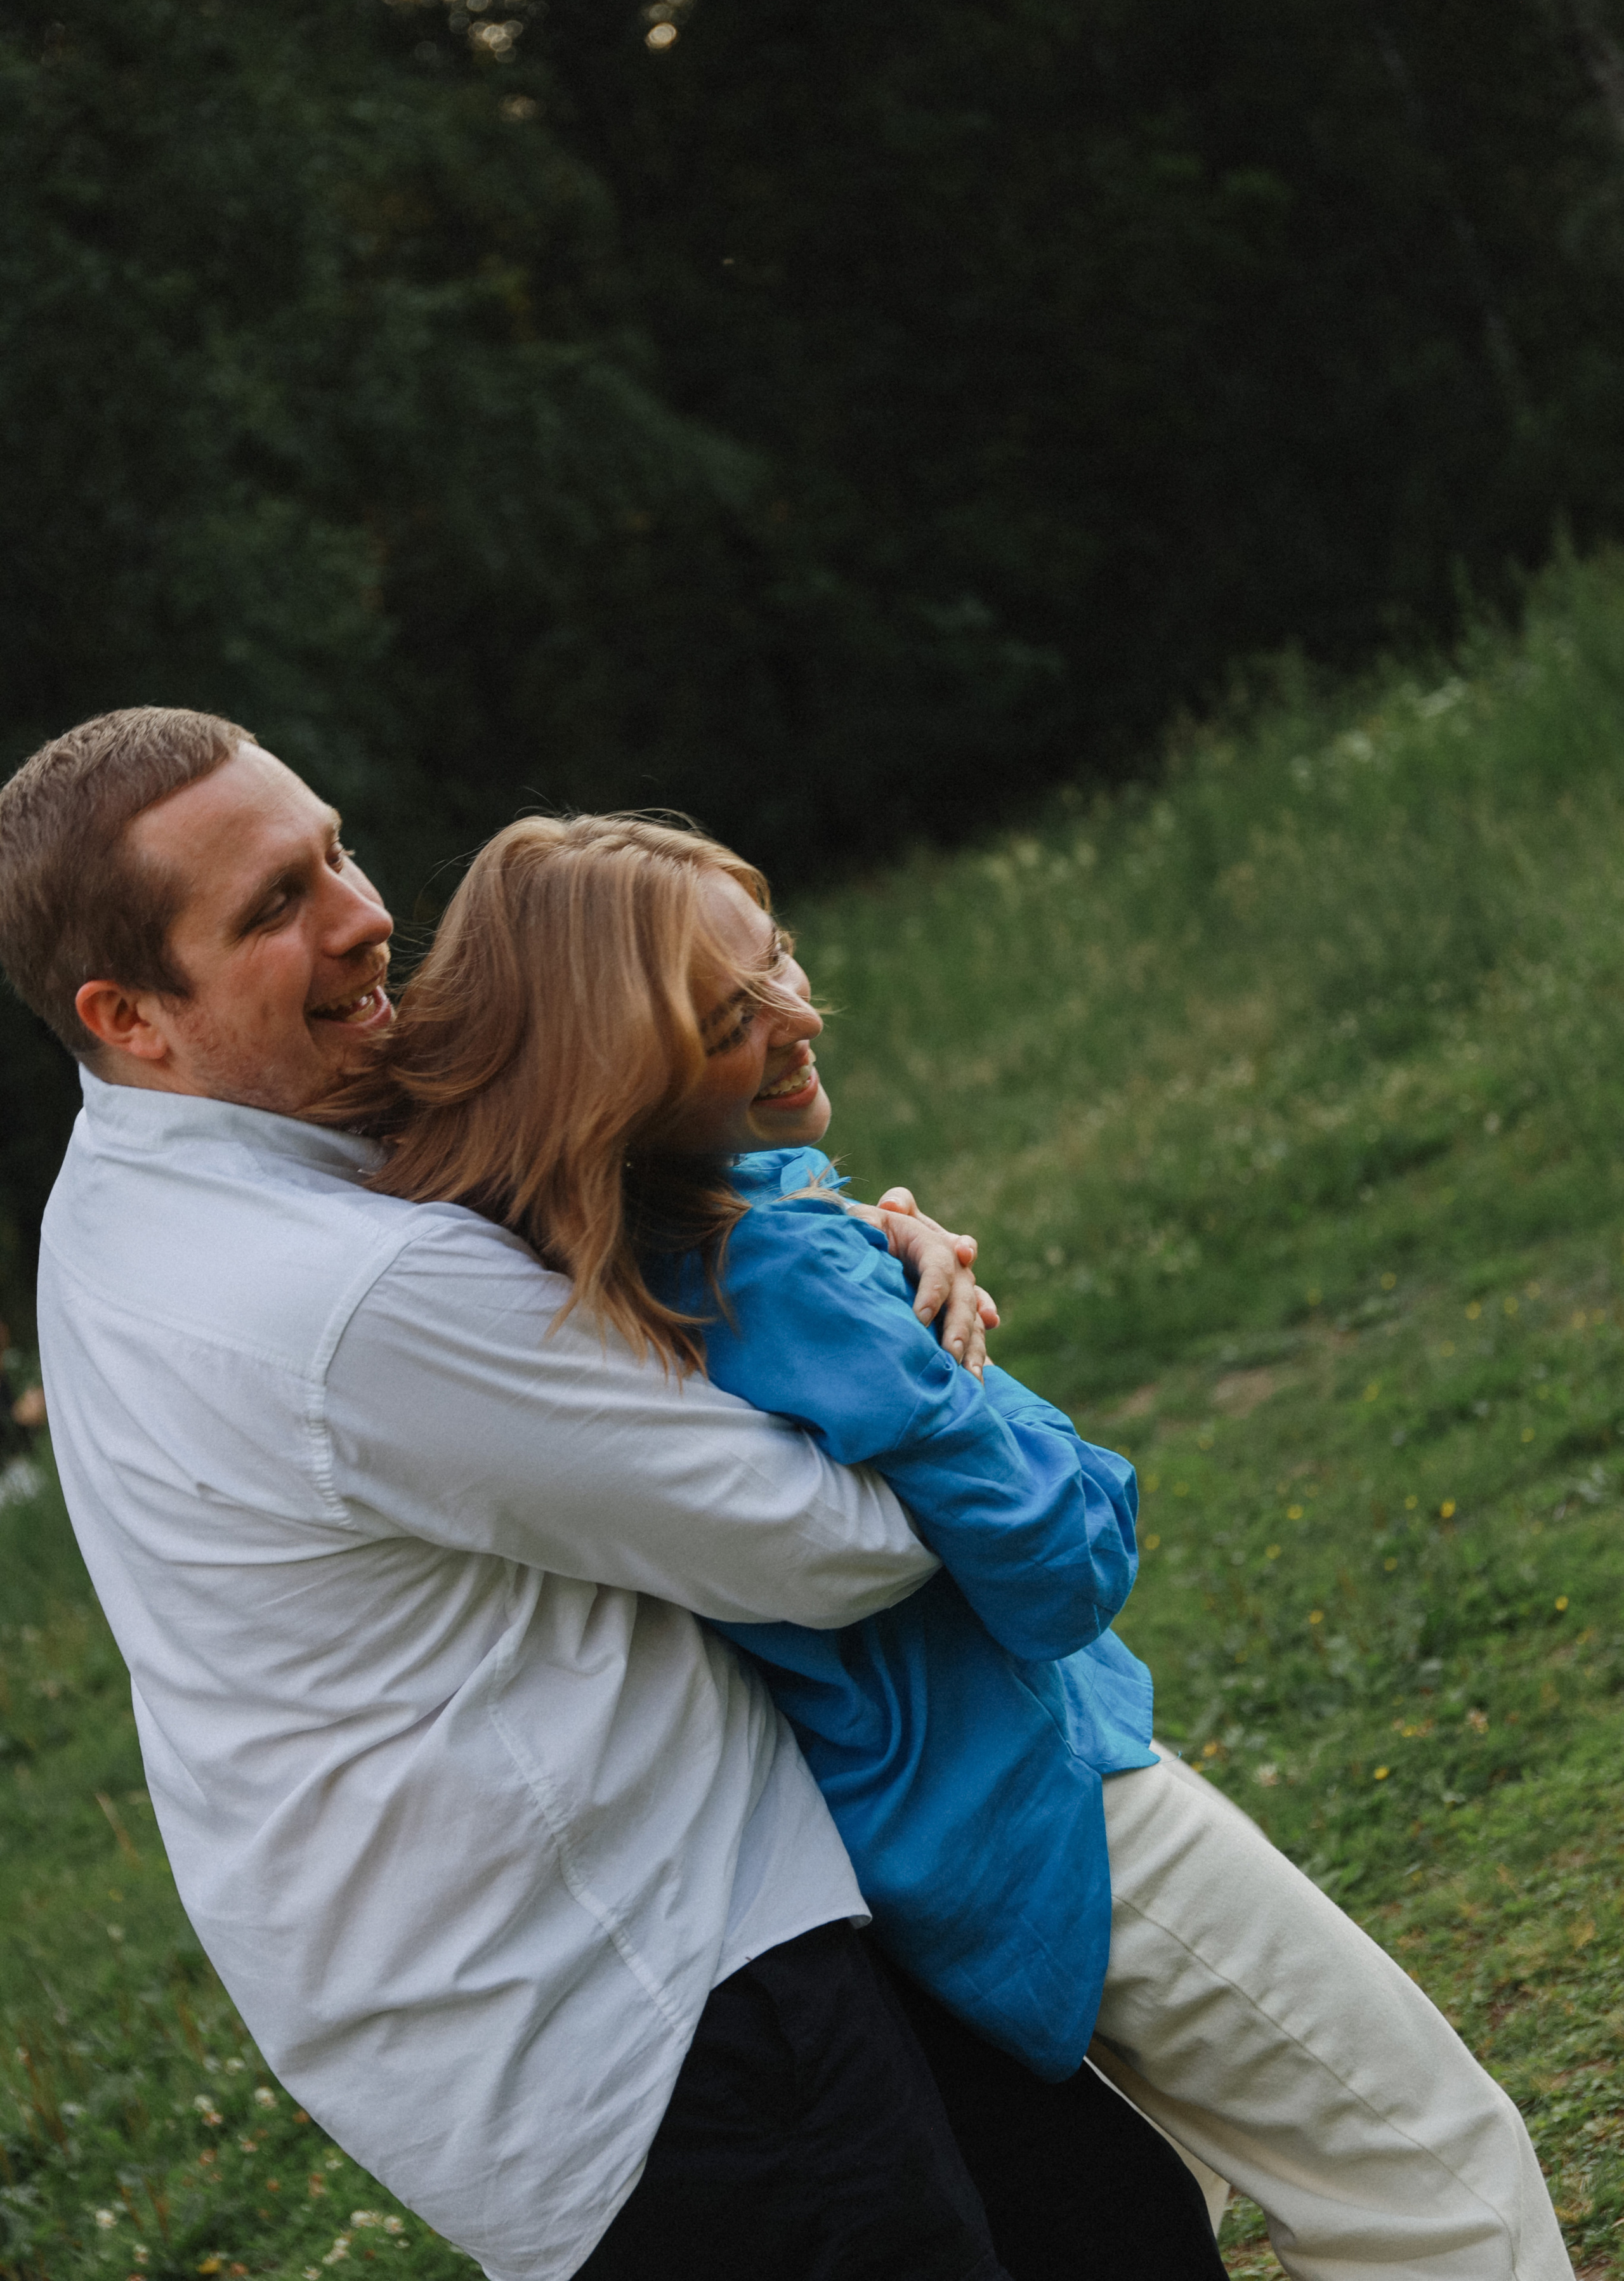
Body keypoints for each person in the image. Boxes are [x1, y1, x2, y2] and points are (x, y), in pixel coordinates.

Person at [0, 708, 1224, 2281]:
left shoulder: (133, 1183)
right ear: (129, 1014)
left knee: (1115, 2231)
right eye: (269, 910)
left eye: (335, 854)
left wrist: (837, 1250)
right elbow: (831, 1546)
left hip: (600, 1958)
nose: (366, 917)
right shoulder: (337, 1299)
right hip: (650, 2001)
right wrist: (915, 1354)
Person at [331, 809, 1578, 2281]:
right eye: (731, 1016)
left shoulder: (608, 1260)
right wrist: (965, 1355)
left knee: (1242, 2175)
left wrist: (873, 1230)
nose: (797, 1015)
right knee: (1432, 2183)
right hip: (1056, 1808)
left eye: (776, 956)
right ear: (627, 1073)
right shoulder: (788, 1274)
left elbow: (778, 1232)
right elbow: (1059, 1564)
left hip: (915, 1836)